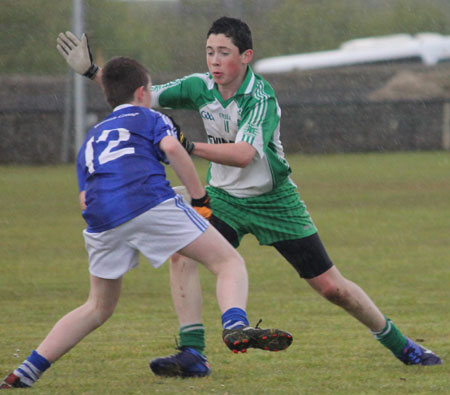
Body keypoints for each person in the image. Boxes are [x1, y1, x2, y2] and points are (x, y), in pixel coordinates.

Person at [55, 16, 442, 374]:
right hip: (222, 198)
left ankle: (402, 345)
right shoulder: (198, 86)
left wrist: (187, 145)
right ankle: (193, 353)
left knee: (332, 288)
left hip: (275, 202)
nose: (215, 61)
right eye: (210, 52)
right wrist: (93, 72)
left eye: (224, 53)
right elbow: (138, 94)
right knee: (181, 253)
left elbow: (243, 155)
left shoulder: (261, 98)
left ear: (246, 56)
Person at [0, 56, 294, 389]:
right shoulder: (152, 118)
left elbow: (85, 196)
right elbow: (173, 148)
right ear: (143, 93)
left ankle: (25, 371)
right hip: (148, 201)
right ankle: (235, 324)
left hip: (101, 217)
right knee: (228, 262)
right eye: (151, 88)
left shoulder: (93, 137)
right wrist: (200, 200)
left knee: (97, 306)